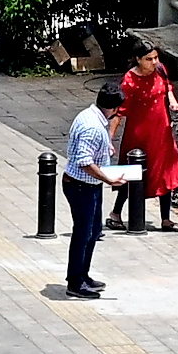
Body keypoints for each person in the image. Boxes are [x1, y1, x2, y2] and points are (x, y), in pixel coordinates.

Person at [118, 42, 178, 228]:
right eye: (148, 59)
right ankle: (116, 212)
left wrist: (173, 102)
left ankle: (166, 219)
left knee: (166, 173)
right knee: (134, 173)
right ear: (138, 60)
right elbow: (121, 110)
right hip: (139, 134)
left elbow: (167, 87)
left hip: (162, 131)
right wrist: (109, 138)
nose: (154, 62)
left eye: (156, 58)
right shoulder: (130, 80)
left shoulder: (160, 70)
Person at [62, 83, 124, 296]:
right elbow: (84, 161)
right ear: (114, 108)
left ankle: (83, 274)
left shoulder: (91, 116)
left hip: (89, 185)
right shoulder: (93, 127)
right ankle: (75, 282)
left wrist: (105, 148)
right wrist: (108, 179)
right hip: (81, 186)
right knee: (83, 233)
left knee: (94, 231)